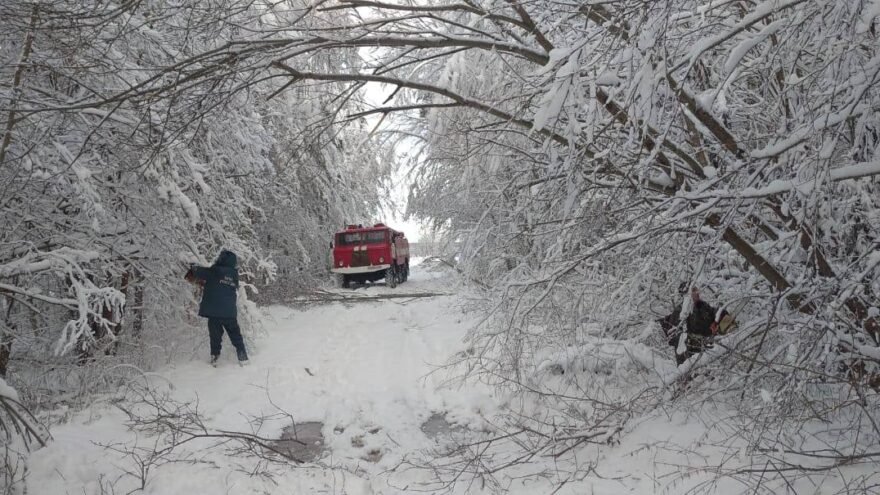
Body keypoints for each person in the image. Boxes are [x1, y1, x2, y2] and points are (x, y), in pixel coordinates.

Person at [185, 250, 249, 366]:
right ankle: (243, 357)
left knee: (215, 337)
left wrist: (191, 264)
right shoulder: (234, 275)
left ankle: (215, 359)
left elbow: (197, 271)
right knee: (236, 336)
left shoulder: (214, 271)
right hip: (229, 313)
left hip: (214, 313)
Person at [658, 286, 730, 366]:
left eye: (697, 290)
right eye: (693, 291)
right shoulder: (680, 312)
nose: (697, 293)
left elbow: (715, 314)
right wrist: (697, 339)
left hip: (708, 354)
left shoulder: (703, 306)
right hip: (688, 359)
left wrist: (720, 318)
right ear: (686, 294)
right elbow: (675, 338)